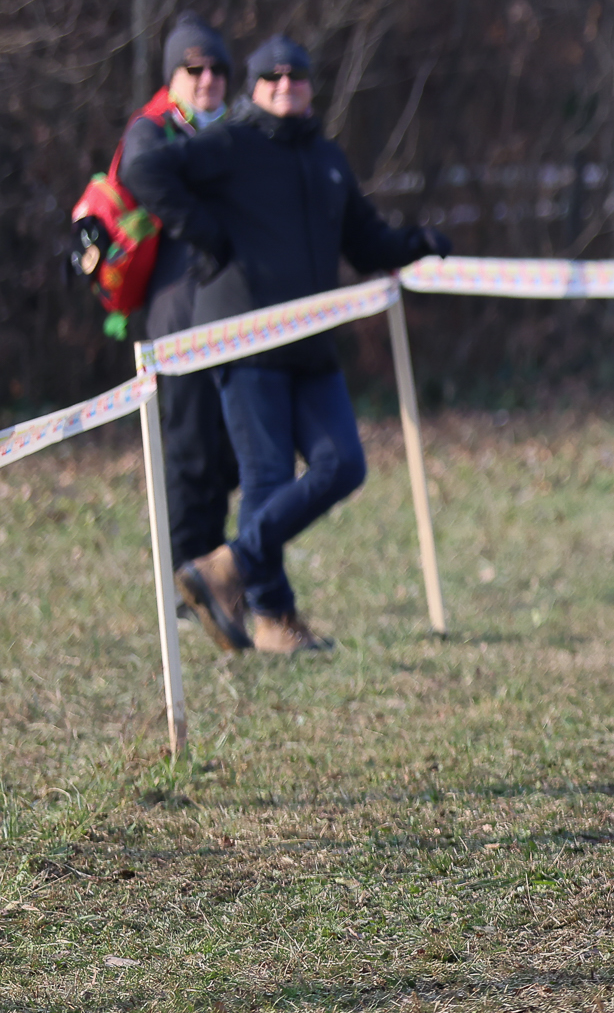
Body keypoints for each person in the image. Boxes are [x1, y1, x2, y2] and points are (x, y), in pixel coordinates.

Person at [123, 36, 451, 656]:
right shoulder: (231, 143)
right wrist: (204, 233)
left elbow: (364, 243)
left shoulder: (327, 159)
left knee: (343, 464)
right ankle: (274, 619)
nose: (284, 87)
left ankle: (228, 566)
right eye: (270, 79)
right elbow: (145, 172)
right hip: (245, 346)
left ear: (309, 86)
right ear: (253, 88)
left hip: (311, 346)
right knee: (267, 478)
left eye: (295, 77)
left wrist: (418, 242)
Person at [116, 15, 243, 582]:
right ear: (173, 76)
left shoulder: (236, 128)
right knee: (190, 449)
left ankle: (209, 574)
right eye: (194, 68)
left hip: (231, 314)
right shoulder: (152, 131)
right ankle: (181, 578)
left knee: (226, 449)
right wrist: (209, 232)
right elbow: (141, 175)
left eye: (217, 68)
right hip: (177, 315)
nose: (207, 78)